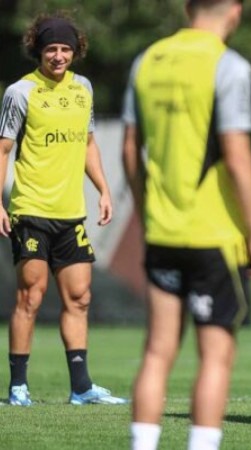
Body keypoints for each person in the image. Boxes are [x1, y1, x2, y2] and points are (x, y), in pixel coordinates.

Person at [122, 0, 251, 449]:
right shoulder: (229, 66)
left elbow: (131, 150)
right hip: (212, 237)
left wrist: (148, 207)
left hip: (161, 233)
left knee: (157, 351)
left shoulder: (147, 60)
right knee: (215, 357)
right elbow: (238, 156)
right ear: (235, 11)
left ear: (188, 7)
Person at [0, 12, 125, 406]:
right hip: (32, 210)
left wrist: (103, 189)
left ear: (75, 51)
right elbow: (2, 149)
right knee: (31, 297)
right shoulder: (20, 92)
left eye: (65, 49)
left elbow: (88, 144)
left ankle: (81, 387)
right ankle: (18, 386)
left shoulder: (83, 88)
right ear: (38, 50)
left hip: (71, 214)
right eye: (51, 48)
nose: (58, 56)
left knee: (80, 298)